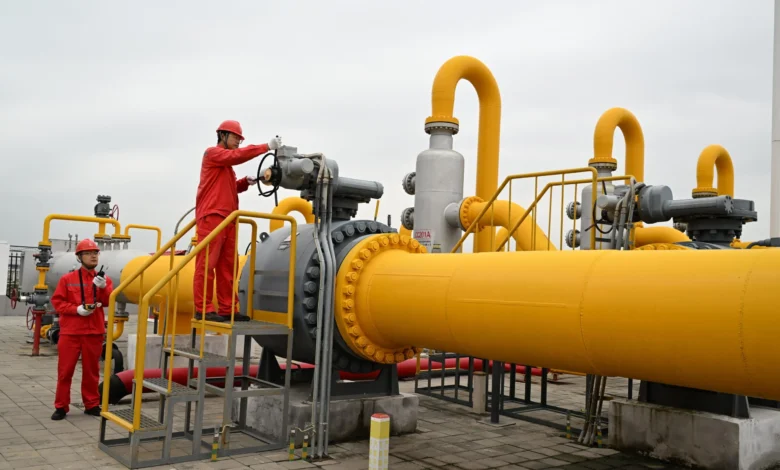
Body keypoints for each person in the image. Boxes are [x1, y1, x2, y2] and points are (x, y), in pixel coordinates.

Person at [193, 120, 282, 322]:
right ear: (222, 135)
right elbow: (236, 157)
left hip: (229, 219)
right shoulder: (212, 154)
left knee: (227, 267)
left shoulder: (225, 166)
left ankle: (227, 308)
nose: (237, 142)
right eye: (235, 137)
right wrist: (266, 147)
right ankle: (203, 309)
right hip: (213, 217)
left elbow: (228, 187)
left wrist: (245, 183)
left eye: (240, 139)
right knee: (206, 265)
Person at [50, 238, 113, 420]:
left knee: (91, 371)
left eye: (95, 253)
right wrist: (76, 309)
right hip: (71, 332)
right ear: (79, 257)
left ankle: (91, 404)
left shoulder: (103, 280)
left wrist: (104, 288)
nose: (93, 256)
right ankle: (61, 406)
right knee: (65, 372)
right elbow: (58, 302)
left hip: (93, 332)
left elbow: (109, 301)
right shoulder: (67, 279)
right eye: (88, 253)